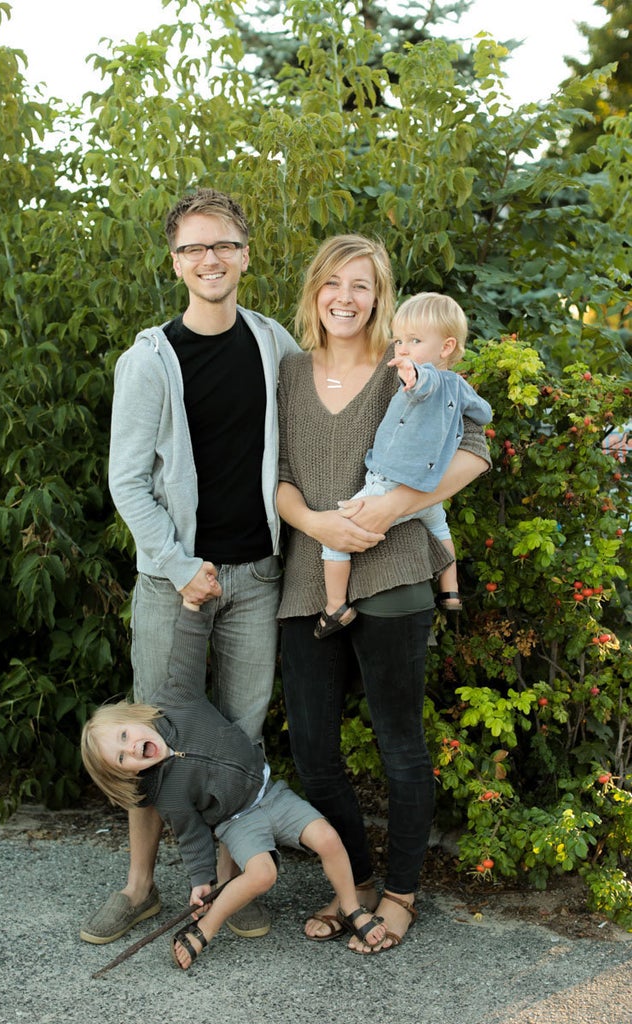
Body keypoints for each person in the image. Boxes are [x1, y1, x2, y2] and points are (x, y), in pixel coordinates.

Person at [80, 189, 298, 946]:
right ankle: (140, 887)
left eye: (224, 245)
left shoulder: (275, 346)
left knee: (240, 735)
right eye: (194, 248)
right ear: (175, 262)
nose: (210, 259)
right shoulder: (149, 362)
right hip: (176, 584)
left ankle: (236, 885)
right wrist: (178, 566)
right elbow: (128, 481)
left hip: (256, 577)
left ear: (245, 253)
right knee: (147, 738)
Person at [276, 235, 490, 952]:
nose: (345, 296)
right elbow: (275, 473)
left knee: (401, 746)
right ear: (314, 293)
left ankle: (400, 893)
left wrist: (388, 508)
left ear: (380, 297)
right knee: (312, 750)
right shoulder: (288, 372)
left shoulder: (411, 369)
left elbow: (475, 453)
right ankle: (356, 883)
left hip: (395, 571)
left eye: (361, 285)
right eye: (332, 283)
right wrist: (317, 520)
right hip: (310, 576)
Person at [81, 604, 391, 969]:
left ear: (135, 715)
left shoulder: (176, 699)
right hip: (237, 821)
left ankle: (351, 906)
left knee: (328, 838)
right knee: (263, 873)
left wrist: (193, 609)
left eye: (123, 734)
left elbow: (187, 652)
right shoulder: (165, 792)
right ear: (127, 774)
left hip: (271, 795)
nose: (130, 746)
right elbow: (191, 835)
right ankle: (206, 927)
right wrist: (201, 881)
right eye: (121, 757)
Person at [316, 291, 493, 637]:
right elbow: (483, 412)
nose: (403, 349)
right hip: (426, 490)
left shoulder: (422, 377)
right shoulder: (458, 385)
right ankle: (451, 589)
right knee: (439, 528)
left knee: (336, 537)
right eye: (399, 341)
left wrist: (412, 375)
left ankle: (335, 606)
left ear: (445, 348)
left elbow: (422, 382)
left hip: (388, 484)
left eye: (414, 340)